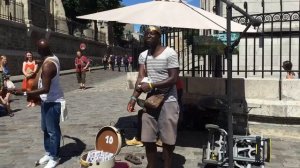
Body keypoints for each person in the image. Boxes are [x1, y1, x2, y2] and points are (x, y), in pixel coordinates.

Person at [127, 26, 180, 168]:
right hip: (151, 101)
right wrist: (133, 98)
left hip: (169, 100)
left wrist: (152, 85)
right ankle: (152, 165)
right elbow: (141, 79)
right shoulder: (143, 55)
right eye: (146, 34)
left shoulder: (170, 53)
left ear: (159, 36)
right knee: (147, 137)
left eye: (152, 33)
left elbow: (174, 78)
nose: (148, 36)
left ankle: (167, 164)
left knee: (168, 139)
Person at [27, 39, 65, 168]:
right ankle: (49, 152)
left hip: (53, 101)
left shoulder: (49, 65)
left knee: (53, 131)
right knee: (45, 129)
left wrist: (28, 93)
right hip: (46, 100)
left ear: (41, 51)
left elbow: (45, 89)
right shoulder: (51, 57)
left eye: (38, 50)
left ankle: (55, 157)